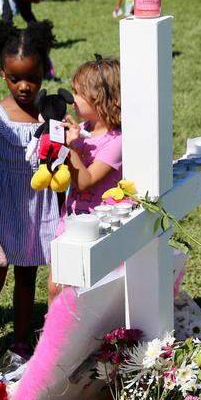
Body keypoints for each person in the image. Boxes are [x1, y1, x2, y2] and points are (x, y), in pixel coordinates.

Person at [0, 20, 61, 364]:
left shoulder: (51, 114)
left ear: (45, 71)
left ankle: (21, 341)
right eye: (15, 78)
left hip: (39, 208)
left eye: (33, 78)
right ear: (2, 72)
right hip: (2, 207)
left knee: (28, 276)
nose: (24, 86)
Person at [48, 55, 123, 300]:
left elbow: (85, 180)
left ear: (99, 98)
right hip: (71, 218)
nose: (71, 100)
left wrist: (70, 149)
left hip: (97, 228)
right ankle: (55, 336)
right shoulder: (86, 129)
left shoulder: (116, 141)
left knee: (88, 291)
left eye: (77, 93)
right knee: (56, 286)